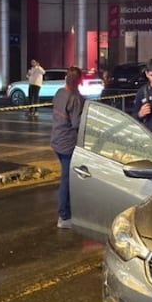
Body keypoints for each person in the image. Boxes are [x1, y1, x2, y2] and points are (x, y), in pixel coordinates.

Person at [50, 66, 85, 229]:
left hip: (56, 140)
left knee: (67, 177)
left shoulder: (59, 93)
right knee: (67, 179)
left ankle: (68, 212)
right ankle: (64, 216)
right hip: (68, 144)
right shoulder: (76, 98)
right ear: (79, 81)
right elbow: (77, 124)